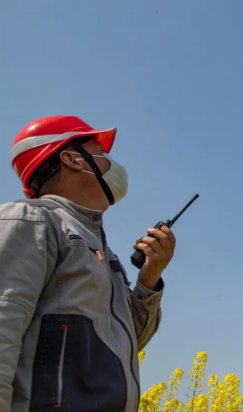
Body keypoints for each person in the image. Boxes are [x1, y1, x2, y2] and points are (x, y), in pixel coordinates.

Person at [0, 115, 176, 411]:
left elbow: (127, 346)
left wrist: (148, 281)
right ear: (73, 159)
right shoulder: (32, 221)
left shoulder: (105, 254)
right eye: (101, 153)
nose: (111, 163)